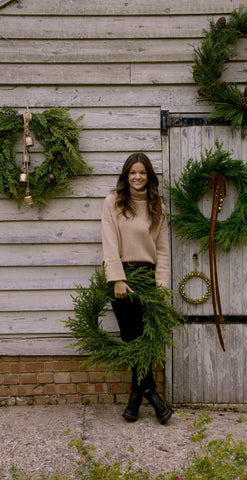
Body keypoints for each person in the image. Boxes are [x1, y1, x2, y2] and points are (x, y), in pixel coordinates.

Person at [101, 152, 172, 424]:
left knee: (144, 340)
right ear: (126, 176)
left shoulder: (158, 207)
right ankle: (153, 396)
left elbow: (163, 251)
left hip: (148, 277)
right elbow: (108, 242)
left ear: (149, 176)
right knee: (132, 338)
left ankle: (135, 399)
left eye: (142, 172)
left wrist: (162, 288)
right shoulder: (113, 203)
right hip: (123, 278)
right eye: (133, 172)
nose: (138, 177)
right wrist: (117, 278)